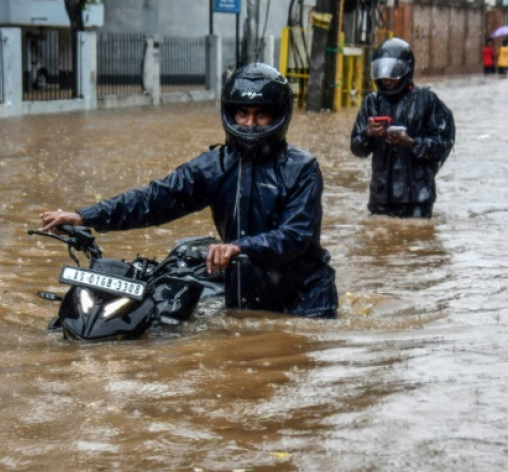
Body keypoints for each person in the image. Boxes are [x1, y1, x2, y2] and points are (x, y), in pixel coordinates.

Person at [39, 63, 338, 318]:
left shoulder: (302, 168)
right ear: (230, 114)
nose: (250, 124)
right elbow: (153, 200)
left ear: (279, 115)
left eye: (261, 115)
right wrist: (83, 216)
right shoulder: (214, 166)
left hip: (307, 301)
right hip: (245, 294)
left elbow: (296, 236)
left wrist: (240, 247)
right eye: (242, 113)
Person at [350, 38, 455, 218]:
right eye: (382, 72)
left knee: (416, 239)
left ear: (406, 69)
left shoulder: (426, 100)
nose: (387, 79)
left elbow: (443, 143)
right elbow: (357, 148)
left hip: (417, 198)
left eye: (393, 72)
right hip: (381, 197)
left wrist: (411, 143)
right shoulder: (372, 103)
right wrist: (368, 134)